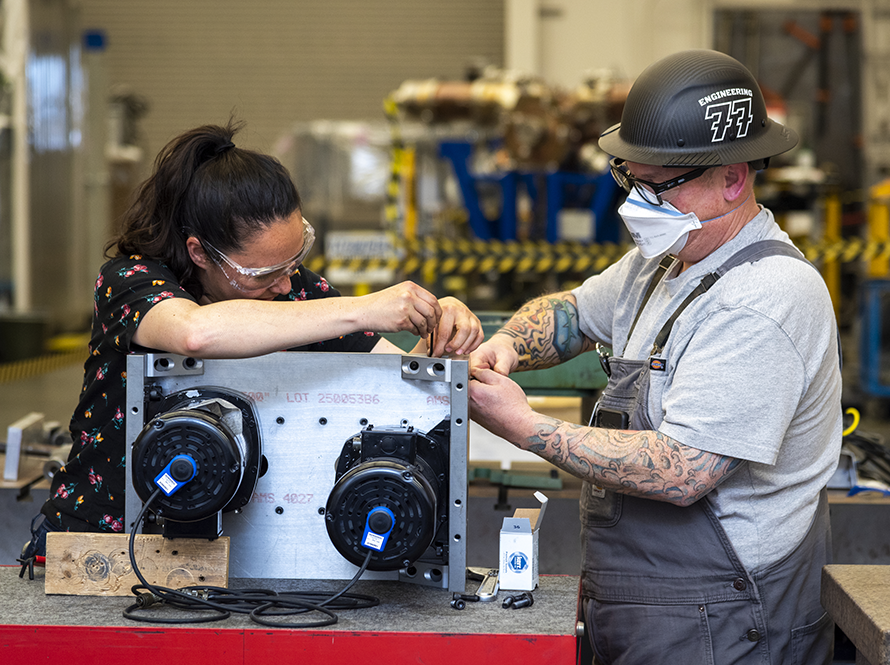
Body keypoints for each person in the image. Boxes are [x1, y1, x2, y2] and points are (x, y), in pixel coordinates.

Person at [468, 49, 841, 664]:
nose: (637, 203)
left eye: (657, 186)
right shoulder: (665, 261)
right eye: (628, 178)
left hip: (724, 617)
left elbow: (682, 470)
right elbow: (570, 315)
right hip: (649, 602)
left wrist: (525, 427)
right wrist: (506, 343)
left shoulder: (764, 297)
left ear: (732, 178)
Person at [23, 119, 483, 557]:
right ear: (199, 252)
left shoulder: (293, 289)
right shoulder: (131, 282)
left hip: (236, 556)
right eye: (265, 272)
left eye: (294, 260)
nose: (286, 285)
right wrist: (364, 307)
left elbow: (399, 384)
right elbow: (195, 333)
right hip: (104, 545)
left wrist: (441, 336)